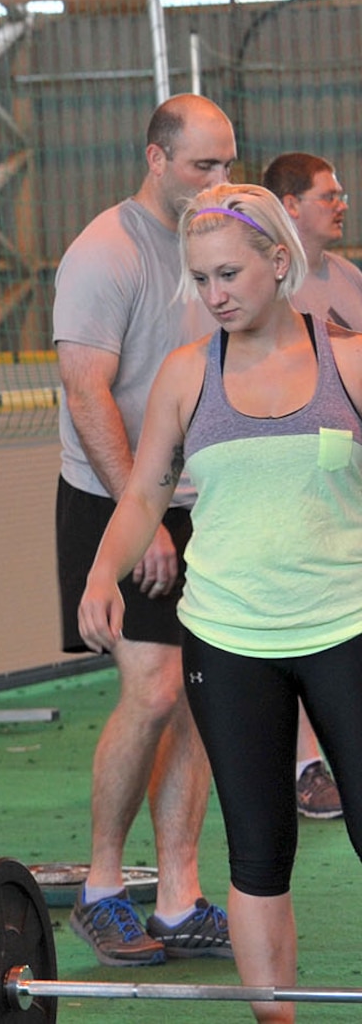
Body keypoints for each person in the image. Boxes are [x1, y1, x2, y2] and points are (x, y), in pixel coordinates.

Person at [79, 184, 362, 1024]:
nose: (216, 294)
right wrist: (101, 576)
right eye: (201, 279)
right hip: (230, 640)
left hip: (345, 627)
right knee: (257, 850)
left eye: (231, 272)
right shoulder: (185, 374)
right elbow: (142, 497)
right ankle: (276, 1018)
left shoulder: (347, 362)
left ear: (282, 262)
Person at [51, 93, 236, 966]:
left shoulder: (213, 247)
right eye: (204, 165)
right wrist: (145, 514)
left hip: (202, 502)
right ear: (157, 159)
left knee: (200, 693)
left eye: (229, 163)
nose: (220, 180)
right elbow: (87, 394)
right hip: (117, 496)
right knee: (155, 687)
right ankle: (98, 885)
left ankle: (178, 895)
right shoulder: (103, 252)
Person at [262, 151, 357, 821]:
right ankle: (303, 766)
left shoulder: (349, 279)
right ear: (289, 206)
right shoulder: (270, 285)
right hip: (288, 482)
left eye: (342, 192)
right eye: (328, 194)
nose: (342, 201)